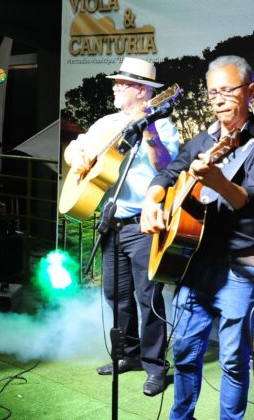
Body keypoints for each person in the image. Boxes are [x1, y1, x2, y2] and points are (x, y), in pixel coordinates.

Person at [141, 55, 254, 419]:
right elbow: (168, 174)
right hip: (195, 263)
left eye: (227, 90)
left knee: (234, 361)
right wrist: (151, 203)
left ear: (249, 90)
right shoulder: (202, 139)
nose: (218, 98)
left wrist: (216, 180)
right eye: (212, 92)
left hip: (240, 268)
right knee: (186, 352)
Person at [63, 57, 179, 396]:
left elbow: (167, 165)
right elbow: (74, 147)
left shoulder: (162, 124)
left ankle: (155, 366)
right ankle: (127, 355)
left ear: (142, 91)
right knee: (116, 294)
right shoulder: (108, 122)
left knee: (149, 298)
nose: (114, 87)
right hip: (111, 222)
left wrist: (150, 131)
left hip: (142, 226)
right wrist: (78, 158)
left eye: (122, 83)